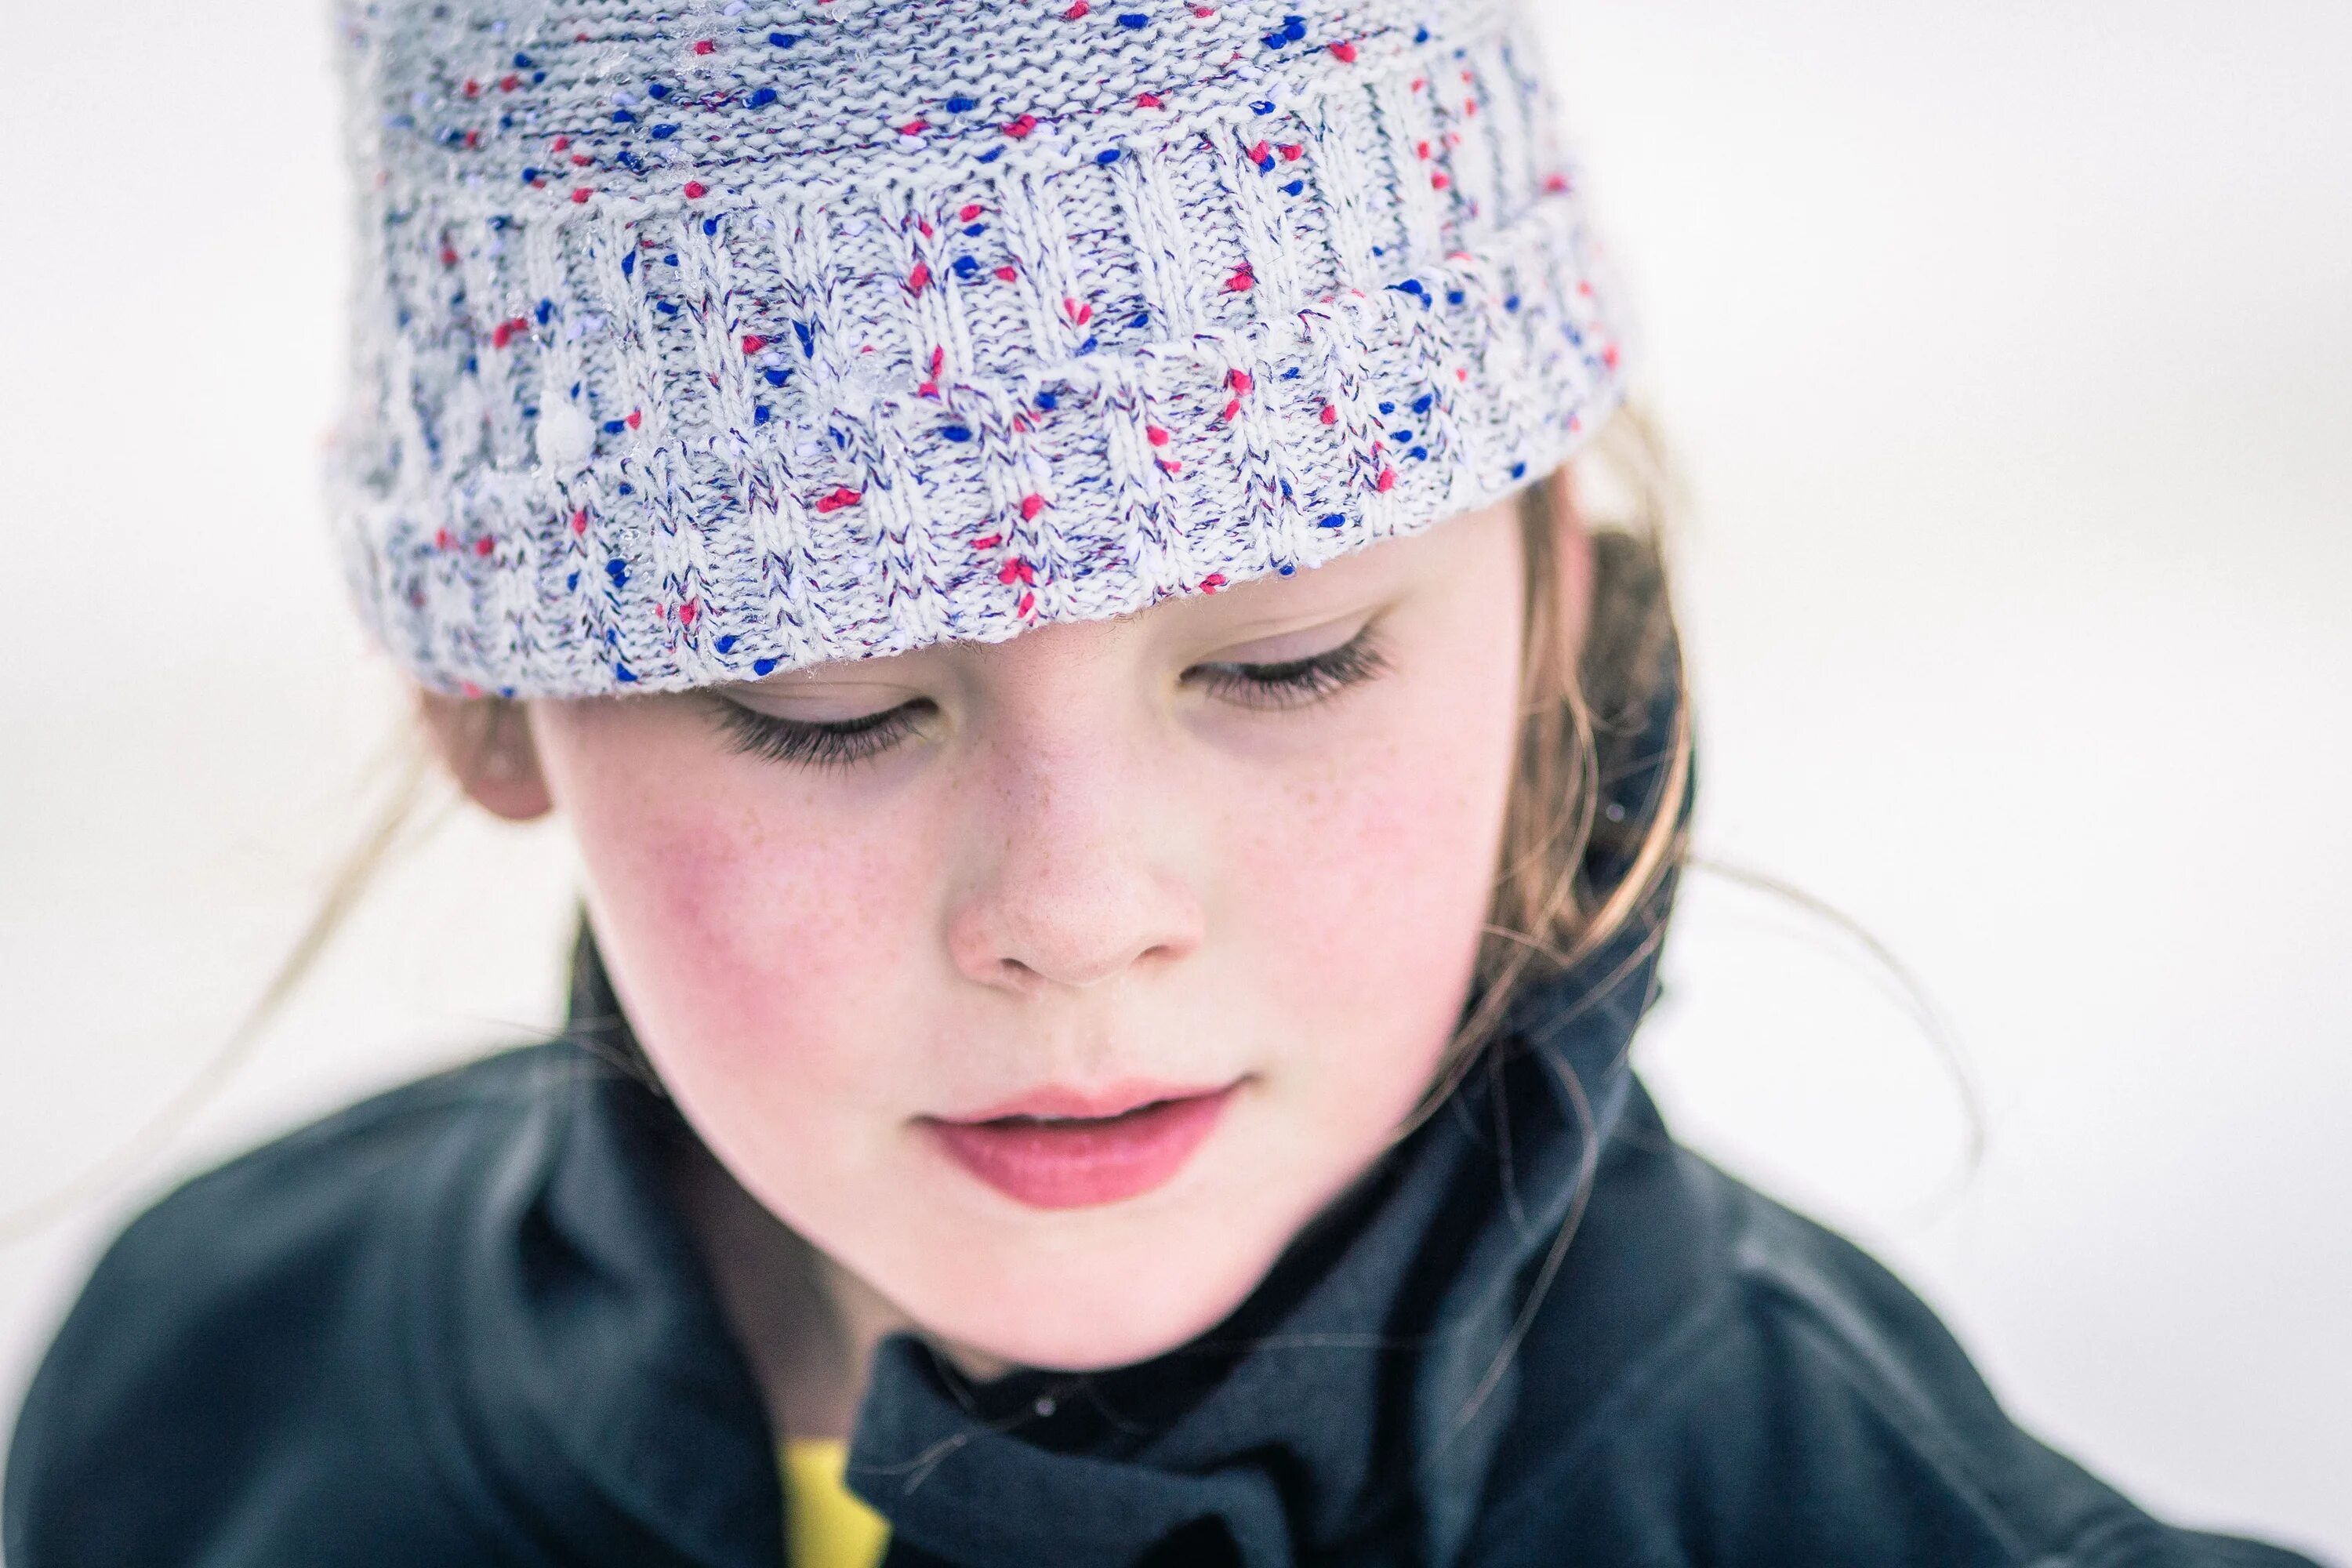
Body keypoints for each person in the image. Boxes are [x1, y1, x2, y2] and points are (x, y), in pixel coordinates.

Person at [2, 2, 2324, 1564]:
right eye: (829, 704)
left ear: (1549, 609)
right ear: (479, 696)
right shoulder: (220, 1404)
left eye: (1290, 660)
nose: (1079, 908)